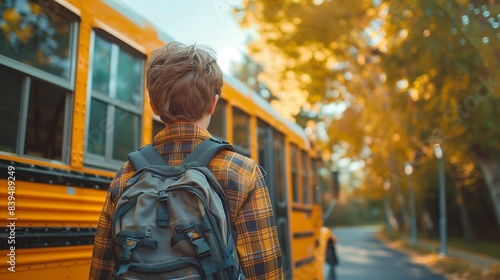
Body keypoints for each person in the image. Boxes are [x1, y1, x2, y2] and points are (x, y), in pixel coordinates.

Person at [89, 42, 283, 280]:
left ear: (153, 107)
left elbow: (102, 270)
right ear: (213, 103)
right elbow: (264, 271)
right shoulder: (242, 171)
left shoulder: (126, 175)